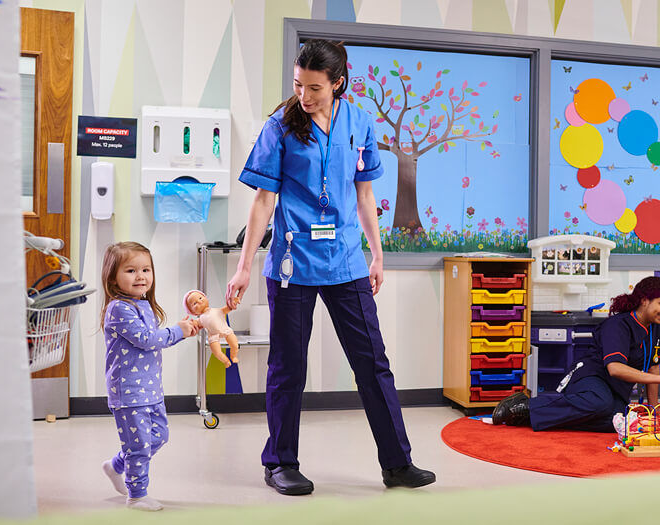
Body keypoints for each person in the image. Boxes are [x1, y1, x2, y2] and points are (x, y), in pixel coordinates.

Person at [225, 39, 435, 495]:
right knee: (288, 366)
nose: (304, 95)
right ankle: (280, 462)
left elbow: (364, 196)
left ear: (338, 83)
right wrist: (244, 267)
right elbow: (263, 201)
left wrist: (377, 255)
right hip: (292, 263)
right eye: (298, 84)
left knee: (373, 363)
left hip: (345, 261)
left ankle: (397, 464)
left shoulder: (359, 122)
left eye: (315, 87)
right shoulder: (280, 125)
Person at [493, 276, 660, 432]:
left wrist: (653, 411)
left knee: (619, 421)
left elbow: (653, 366)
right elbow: (615, 369)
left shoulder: (657, 326)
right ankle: (526, 406)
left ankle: (535, 417)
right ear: (644, 300)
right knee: (600, 403)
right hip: (590, 377)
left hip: (616, 390)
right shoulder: (617, 325)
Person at [99, 242, 198, 511]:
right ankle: (137, 495)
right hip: (129, 392)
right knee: (140, 445)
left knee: (159, 436)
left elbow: (152, 340)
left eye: (146, 269)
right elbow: (146, 339)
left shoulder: (143, 305)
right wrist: (179, 331)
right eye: (131, 270)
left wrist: (184, 328)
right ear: (113, 278)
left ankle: (116, 465)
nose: (141, 276)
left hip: (151, 389)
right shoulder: (118, 308)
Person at [183, 289, 240, 367]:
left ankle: (233, 356)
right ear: (193, 312)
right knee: (216, 352)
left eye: (200, 298)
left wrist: (233, 302)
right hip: (213, 335)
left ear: (206, 298)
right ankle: (225, 361)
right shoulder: (201, 319)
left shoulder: (217, 310)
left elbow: (228, 308)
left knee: (234, 344)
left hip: (225, 330)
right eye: (195, 303)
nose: (199, 301)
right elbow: (194, 324)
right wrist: (188, 323)